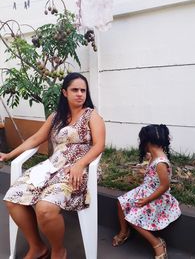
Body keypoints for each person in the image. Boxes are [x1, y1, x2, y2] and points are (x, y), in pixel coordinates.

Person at [0, 72, 105, 259]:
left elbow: (99, 145)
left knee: (45, 208)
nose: (80, 94)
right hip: (51, 167)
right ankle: (37, 246)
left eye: (83, 90)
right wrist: (9, 155)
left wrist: (80, 164)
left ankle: (58, 250)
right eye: (75, 90)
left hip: (78, 170)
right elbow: (34, 139)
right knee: (12, 199)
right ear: (65, 92)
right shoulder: (56, 117)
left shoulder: (91, 116)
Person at [112, 124, 181, 259]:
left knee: (132, 218)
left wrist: (148, 199)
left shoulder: (160, 163)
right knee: (121, 203)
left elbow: (164, 186)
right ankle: (124, 231)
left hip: (157, 197)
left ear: (147, 142)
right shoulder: (154, 155)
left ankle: (157, 243)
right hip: (145, 190)